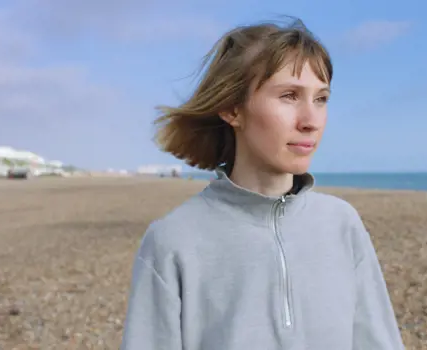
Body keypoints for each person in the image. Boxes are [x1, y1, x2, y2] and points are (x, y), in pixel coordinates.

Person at [121, 18, 405, 350]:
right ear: (232, 108)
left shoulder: (343, 224)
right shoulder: (173, 240)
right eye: (289, 96)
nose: (311, 121)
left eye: (321, 99)